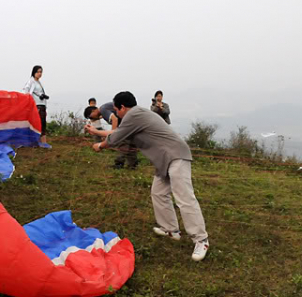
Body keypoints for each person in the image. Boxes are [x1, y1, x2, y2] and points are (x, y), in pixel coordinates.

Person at [85, 91, 210, 261]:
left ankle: (201, 240)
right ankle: (171, 230)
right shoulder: (137, 115)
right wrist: (95, 132)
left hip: (176, 155)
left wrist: (100, 145)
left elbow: (115, 138)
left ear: (122, 107)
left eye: (116, 110)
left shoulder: (134, 115)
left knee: (184, 198)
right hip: (164, 159)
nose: (115, 114)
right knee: (158, 193)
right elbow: (118, 133)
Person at [84, 101, 138, 169]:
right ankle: (133, 165)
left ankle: (120, 164)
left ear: (93, 111)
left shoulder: (103, 110)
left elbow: (114, 119)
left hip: (129, 123)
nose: (92, 119)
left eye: (90, 117)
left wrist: (113, 135)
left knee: (123, 143)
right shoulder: (104, 110)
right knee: (129, 143)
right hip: (131, 121)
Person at [22, 65, 51, 148]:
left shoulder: (39, 82)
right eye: (38, 72)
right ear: (34, 72)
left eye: (41, 72)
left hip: (42, 104)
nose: (39, 74)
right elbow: (26, 91)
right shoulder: (31, 81)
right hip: (36, 105)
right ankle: (36, 142)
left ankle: (43, 142)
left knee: (42, 123)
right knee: (37, 123)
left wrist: (43, 96)